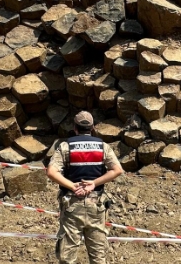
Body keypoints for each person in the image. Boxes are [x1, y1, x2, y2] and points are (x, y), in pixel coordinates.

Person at [47, 111, 124, 264]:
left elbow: (51, 172)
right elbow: (117, 170)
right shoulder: (103, 147)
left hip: (72, 205)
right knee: (97, 255)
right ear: (92, 127)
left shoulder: (66, 146)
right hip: (96, 205)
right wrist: (94, 183)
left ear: (75, 128)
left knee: (67, 256)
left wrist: (72, 186)